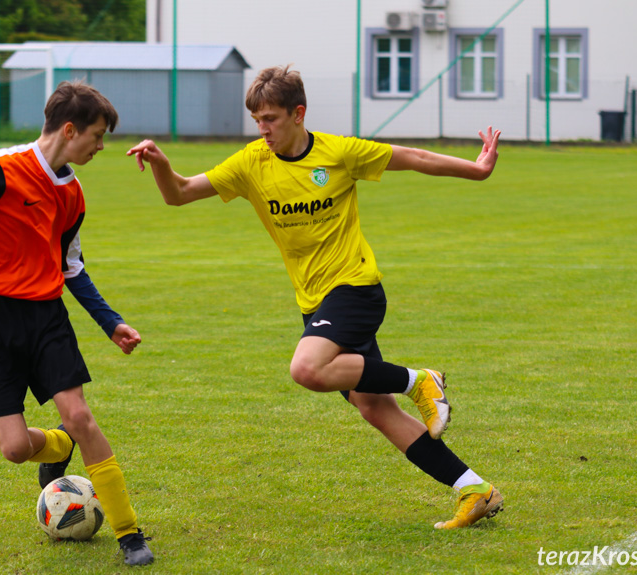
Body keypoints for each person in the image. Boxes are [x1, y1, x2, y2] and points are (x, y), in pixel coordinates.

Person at [128, 65, 504, 530]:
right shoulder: (250, 164)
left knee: (306, 369)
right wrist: (163, 164)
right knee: (375, 409)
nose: (262, 129)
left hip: (355, 289)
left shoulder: (338, 152)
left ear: (298, 113)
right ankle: (474, 489)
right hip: (316, 305)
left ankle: (419, 379)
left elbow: (414, 157)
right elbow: (180, 194)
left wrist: (478, 169)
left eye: (270, 118)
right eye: (257, 120)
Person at [0, 80, 154, 566]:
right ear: (69, 130)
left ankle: (130, 534)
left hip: (43, 315)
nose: (100, 147)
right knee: (11, 448)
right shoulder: (0, 168)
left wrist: (110, 322)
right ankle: (57, 446)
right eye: (97, 136)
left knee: (81, 415)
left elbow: (72, 267)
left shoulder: (72, 193)